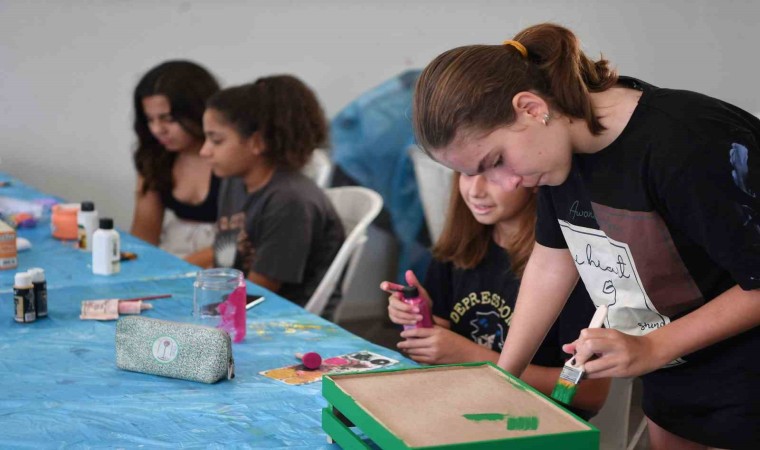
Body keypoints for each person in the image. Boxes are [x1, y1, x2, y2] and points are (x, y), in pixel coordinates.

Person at [412, 22, 760, 449]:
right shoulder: (559, 156)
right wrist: (504, 375)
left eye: (496, 160)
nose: (506, 183)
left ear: (530, 107)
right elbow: (551, 261)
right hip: (677, 373)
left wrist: (653, 346)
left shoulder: (686, 142)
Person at [381, 172, 609, 418]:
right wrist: (421, 318)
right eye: (467, 174)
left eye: (492, 176)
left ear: (532, 178)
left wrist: (471, 356)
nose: (475, 190)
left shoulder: (570, 272)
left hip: (536, 422)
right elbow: (439, 354)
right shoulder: (458, 250)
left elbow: (589, 393)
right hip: (465, 402)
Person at [199, 75, 345, 306]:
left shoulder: (291, 201)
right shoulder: (234, 182)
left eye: (216, 140)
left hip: (283, 321)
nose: (204, 151)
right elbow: (224, 264)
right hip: (237, 305)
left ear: (258, 142)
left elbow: (258, 294)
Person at [130, 60, 221, 260]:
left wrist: (179, 270)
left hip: (225, 263)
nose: (157, 130)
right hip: (174, 254)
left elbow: (244, 239)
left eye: (168, 119)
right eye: (150, 119)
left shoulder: (231, 158)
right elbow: (144, 236)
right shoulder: (154, 157)